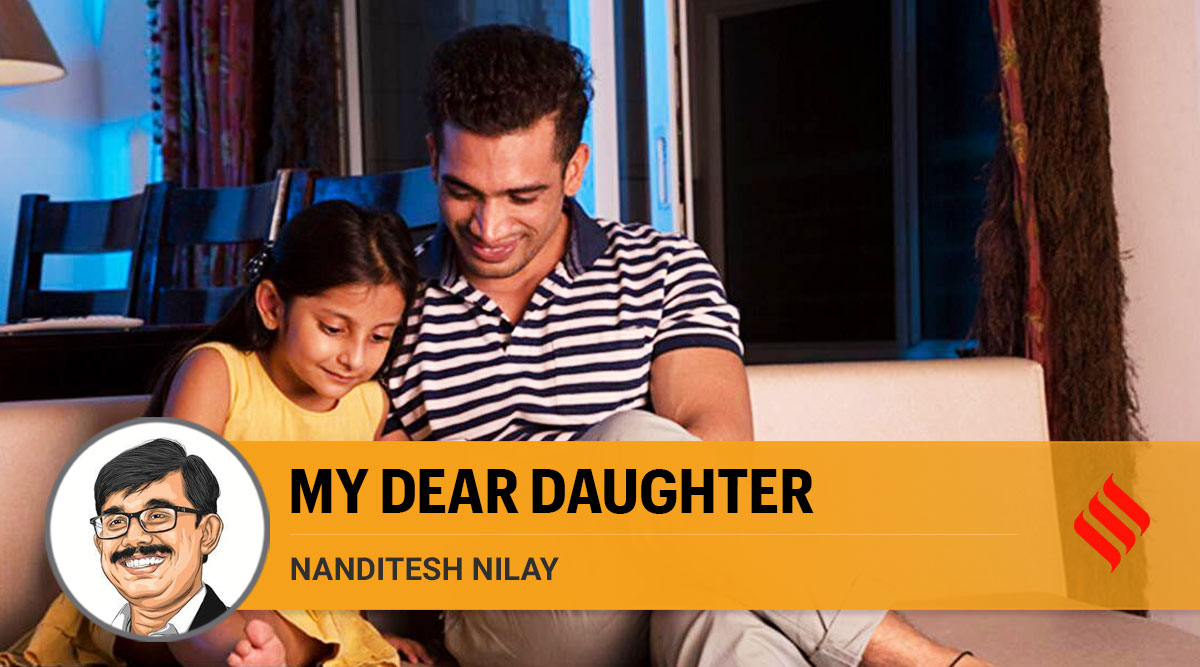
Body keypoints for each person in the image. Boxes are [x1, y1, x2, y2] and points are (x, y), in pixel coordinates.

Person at [381, 24, 990, 667]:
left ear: (574, 169)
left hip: (671, 577)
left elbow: (719, 453)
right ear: (434, 158)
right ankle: (928, 662)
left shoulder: (663, 267)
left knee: (724, 614)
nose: (489, 226)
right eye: (463, 191)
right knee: (635, 447)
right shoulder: (385, 305)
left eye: (521, 195)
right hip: (507, 605)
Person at [4, 201, 433, 667]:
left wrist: (365, 630)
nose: (355, 357)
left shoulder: (370, 404)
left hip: (288, 604)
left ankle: (264, 653)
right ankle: (248, 653)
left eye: (379, 337)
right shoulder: (218, 373)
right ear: (272, 306)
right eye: (333, 328)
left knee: (295, 636)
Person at [92, 439, 226, 636]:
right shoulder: (81, 636)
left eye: (157, 516)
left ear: (207, 533)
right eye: (117, 521)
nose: (133, 538)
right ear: (99, 543)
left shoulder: (245, 638)